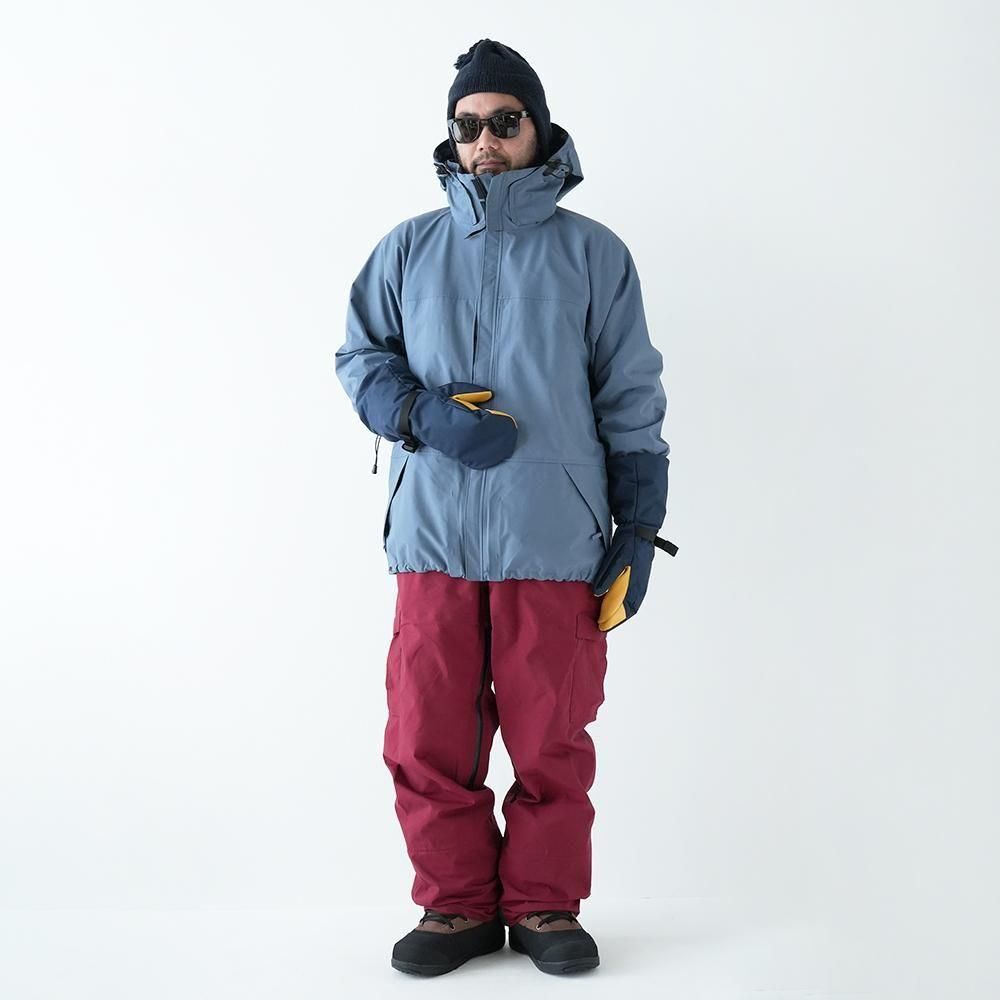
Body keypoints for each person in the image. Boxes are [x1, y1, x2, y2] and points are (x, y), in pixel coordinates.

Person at [335, 38, 677, 977]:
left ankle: (542, 906)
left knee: (550, 736)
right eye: (467, 126)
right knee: (425, 732)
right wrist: (420, 414)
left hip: (553, 537)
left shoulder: (594, 254)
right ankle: (454, 907)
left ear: (539, 129)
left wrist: (638, 525)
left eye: (503, 122)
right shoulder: (408, 247)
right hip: (433, 535)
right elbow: (359, 357)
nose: (483, 141)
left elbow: (631, 396)